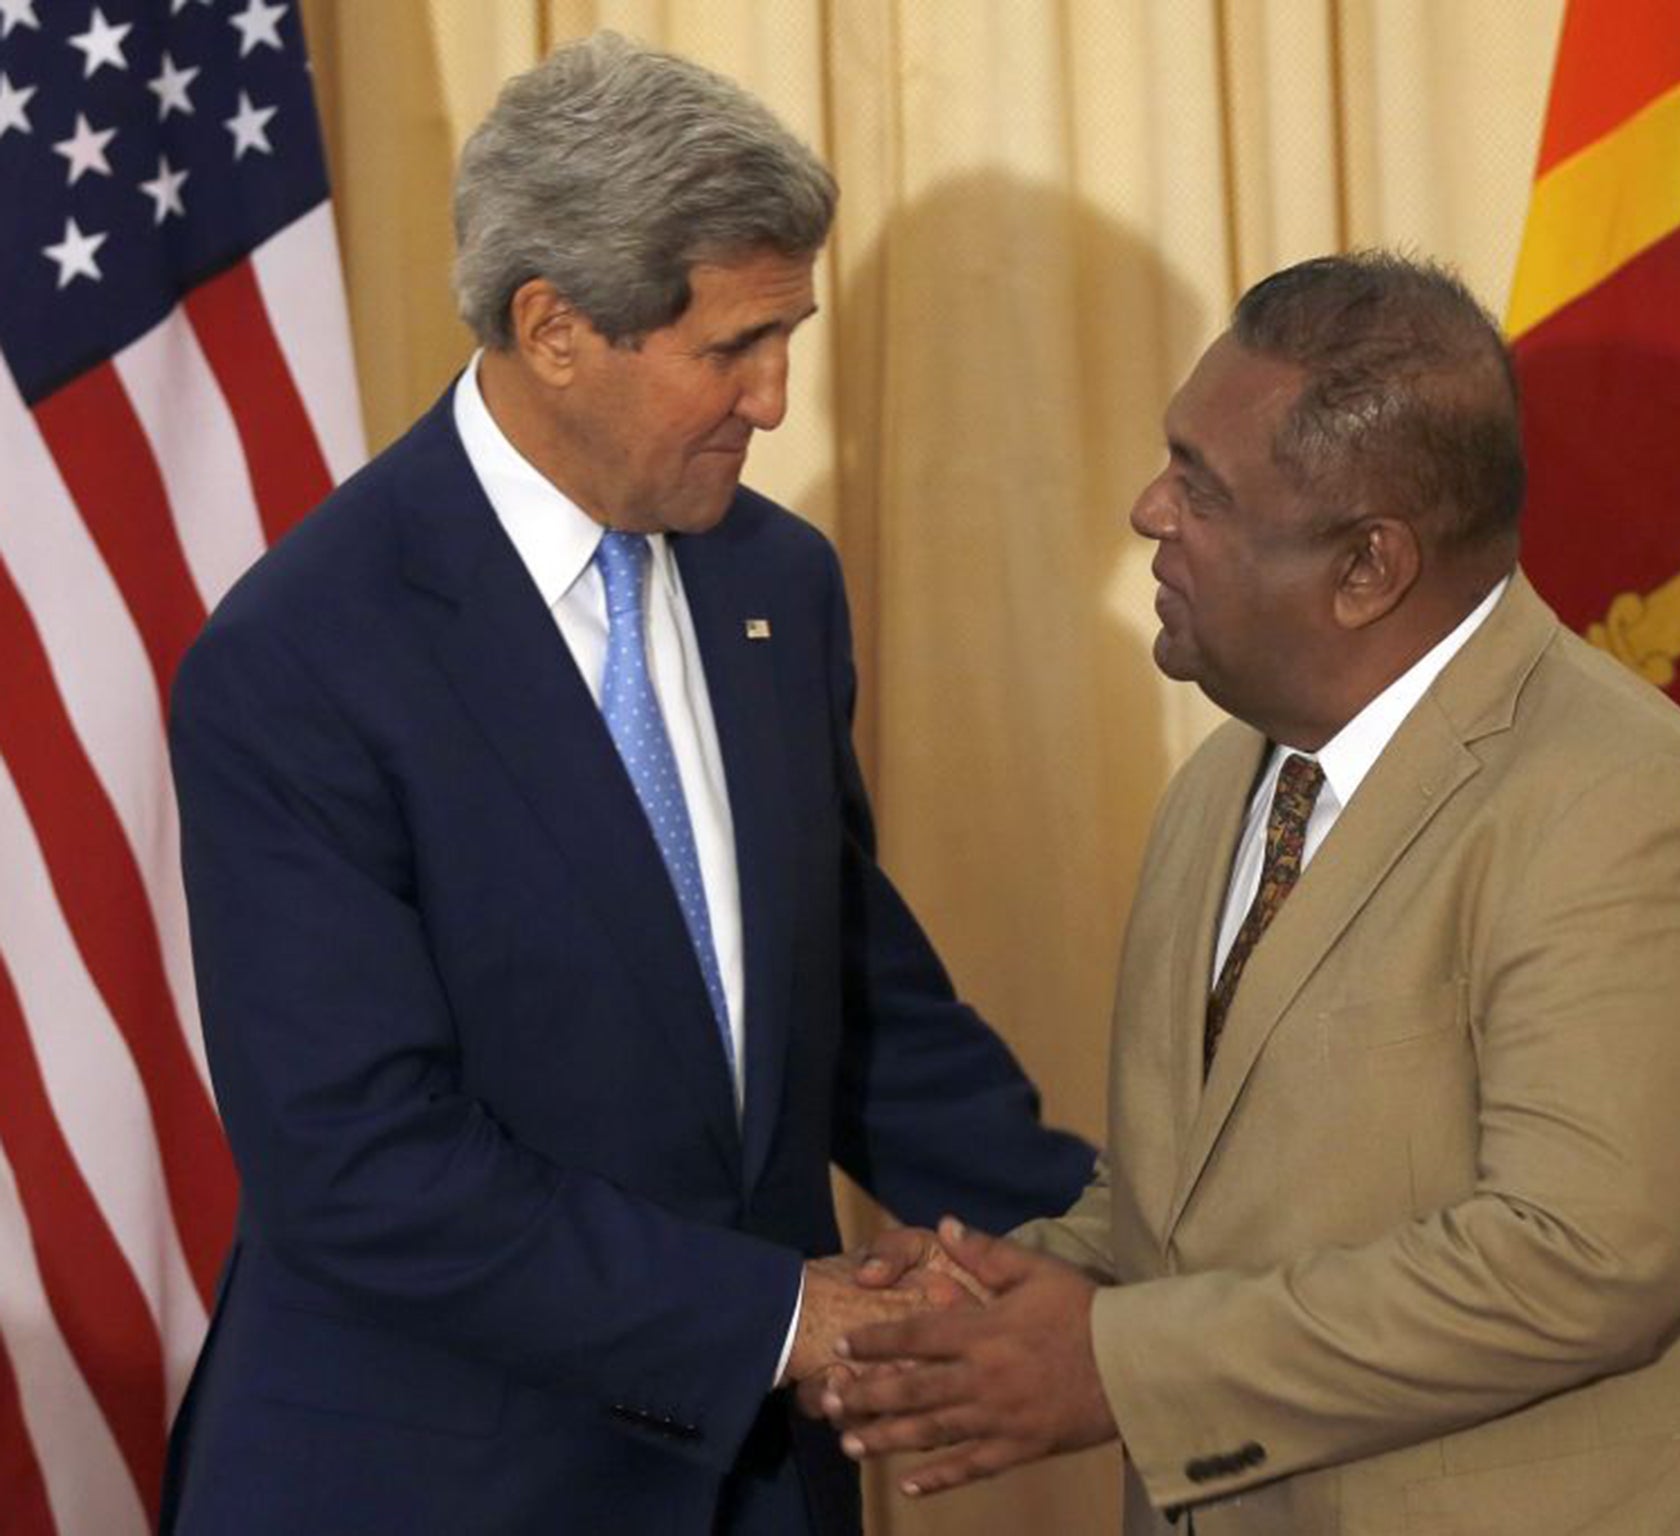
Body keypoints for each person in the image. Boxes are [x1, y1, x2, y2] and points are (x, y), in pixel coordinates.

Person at [160, 32, 1091, 1535]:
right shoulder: (304, 657)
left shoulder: (775, 582)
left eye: (787, 334)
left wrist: (1112, 1257)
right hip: (435, 1483)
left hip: (754, 1492)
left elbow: (851, 1006)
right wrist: (783, 1320)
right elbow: (363, 1164)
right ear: (554, 325)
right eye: (733, 347)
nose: (778, 399)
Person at [826, 252, 1680, 1534]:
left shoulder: (1617, 805)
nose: (1147, 511)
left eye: (1199, 489)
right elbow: (1207, 1191)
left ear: (1368, 567)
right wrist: (988, 1303)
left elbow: (1581, 1260)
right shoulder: (1230, 776)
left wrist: (1113, 1362)